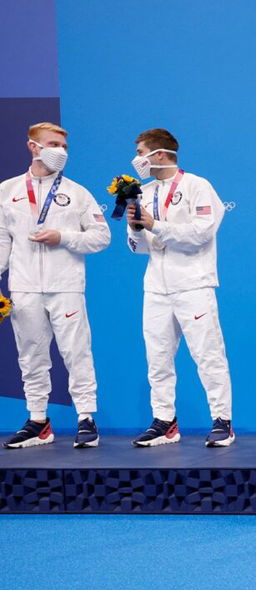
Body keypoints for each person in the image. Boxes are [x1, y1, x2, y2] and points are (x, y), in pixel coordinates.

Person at [0, 122, 110, 448]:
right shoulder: (6, 191)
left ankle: (86, 418)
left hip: (66, 286)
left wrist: (63, 237)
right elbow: (2, 242)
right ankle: (38, 421)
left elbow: (101, 236)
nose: (60, 152)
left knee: (76, 353)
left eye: (64, 146)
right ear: (33, 146)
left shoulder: (77, 193)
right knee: (31, 356)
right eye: (53, 144)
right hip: (24, 287)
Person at [125, 128, 234, 446]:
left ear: (158, 154)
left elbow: (201, 233)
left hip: (193, 284)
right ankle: (164, 422)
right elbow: (140, 248)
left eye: (141, 151)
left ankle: (222, 422)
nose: (137, 160)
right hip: (156, 287)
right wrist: (134, 230)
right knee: (157, 358)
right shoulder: (142, 192)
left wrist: (154, 224)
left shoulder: (198, 186)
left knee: (208, 356)